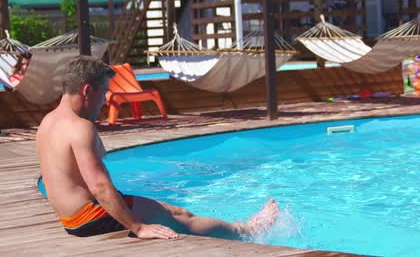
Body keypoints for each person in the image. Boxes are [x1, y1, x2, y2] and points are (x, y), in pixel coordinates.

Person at [36, 56, 279, 239]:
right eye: (104, 93)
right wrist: (138, 227)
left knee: (170, 209)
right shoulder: (80, 128)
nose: (105, 100)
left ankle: (240, 229)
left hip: (71, 220)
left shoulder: (48, 122)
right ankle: (245, 231)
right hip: (90, 217)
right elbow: (99, 186)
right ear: (87, 91)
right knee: (180, 216)